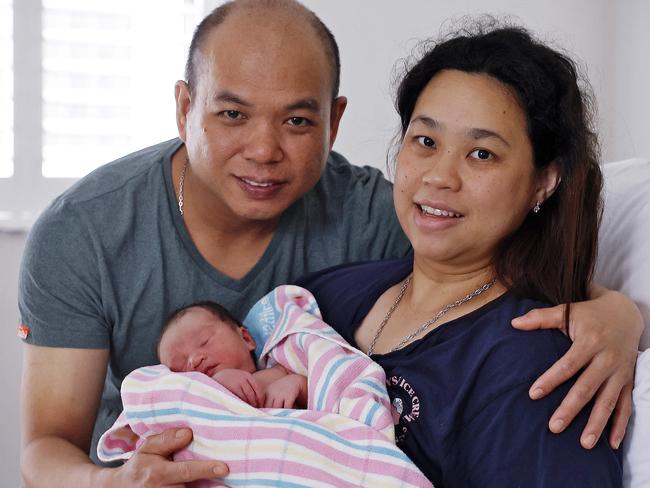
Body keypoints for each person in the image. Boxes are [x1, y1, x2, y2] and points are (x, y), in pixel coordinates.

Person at [18, 1, 642, 486]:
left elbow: (484, 255)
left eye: (296, 120)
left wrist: (619, 313)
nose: (264, 150)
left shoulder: (375, 217)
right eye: (232, 114)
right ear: (185, 107)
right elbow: (46, 448)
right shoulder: (86, 234)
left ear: (334, 121)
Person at [295, 22, 625, 486]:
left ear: (543, 182)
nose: (439, 177)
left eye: (482, 154)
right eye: (426, 142)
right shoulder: (322, 298)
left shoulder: (536, 366)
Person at [157, 301, 308, 409]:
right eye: (179, 366)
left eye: (204, 341)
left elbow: (324, 393)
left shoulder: (278, 371)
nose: (194, 361)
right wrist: (215, 386)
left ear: (246, 339)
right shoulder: (190, 401)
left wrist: (298, 385)